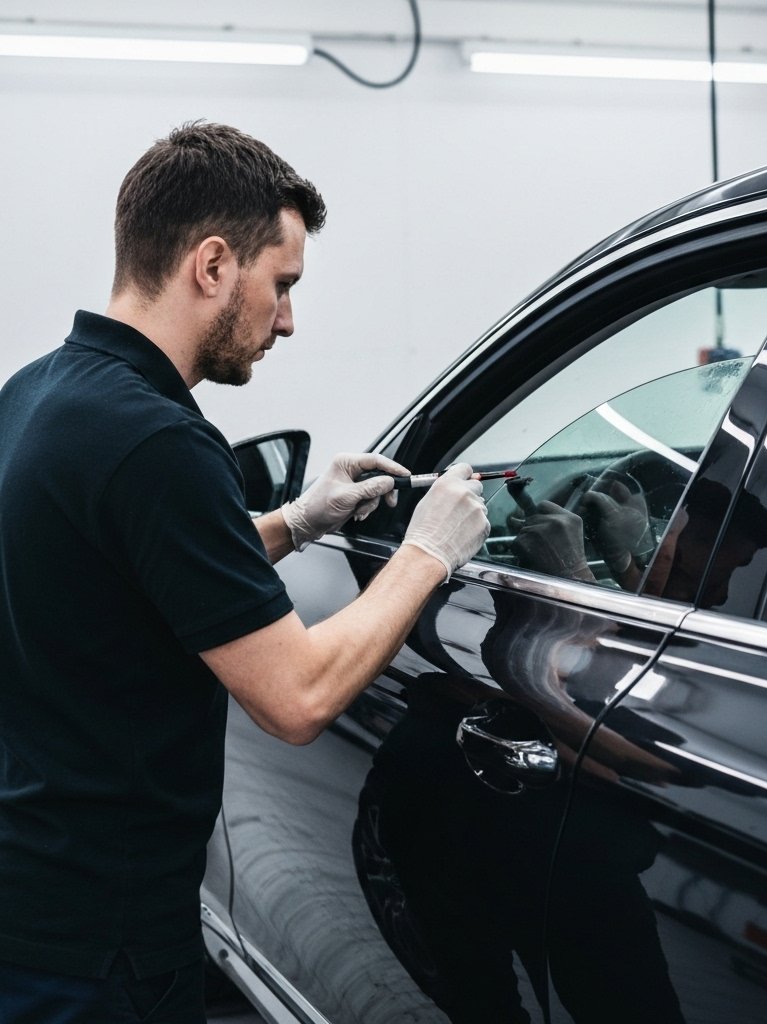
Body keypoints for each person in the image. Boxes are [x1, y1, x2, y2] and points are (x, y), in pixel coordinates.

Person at [0, 121, 490, 1024]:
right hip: (101, 944)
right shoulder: (159, 441)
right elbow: (297, 697)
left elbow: (127, 576)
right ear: (214, 265)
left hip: (33, 893)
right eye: (284, 284)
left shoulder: (39, 395)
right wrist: (429, 552)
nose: (290, 319)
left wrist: (298, 522)